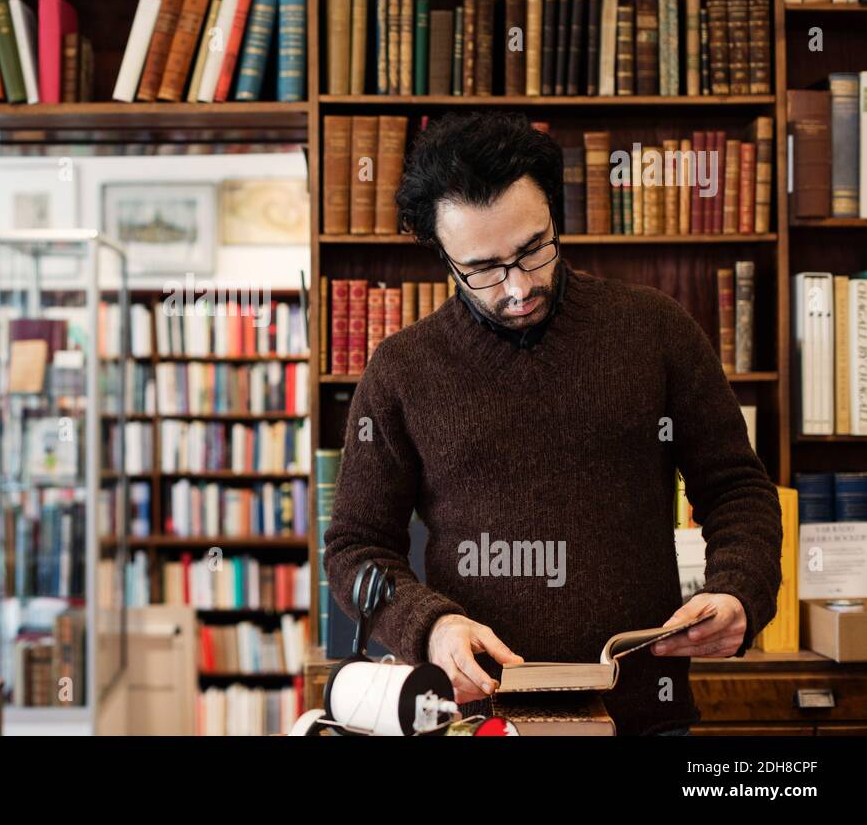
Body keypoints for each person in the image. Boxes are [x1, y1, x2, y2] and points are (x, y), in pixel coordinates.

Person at [322, 111, 783, 735]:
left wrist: (739, 592)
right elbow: (356, 550)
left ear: (555, 218)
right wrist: (429, 627)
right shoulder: (402, 368)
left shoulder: (656, 331)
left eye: (532, 249)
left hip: (644, 715)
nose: (517, 287)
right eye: (482, 269)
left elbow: (737, 489)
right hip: (475, 722)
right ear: (443, 256)